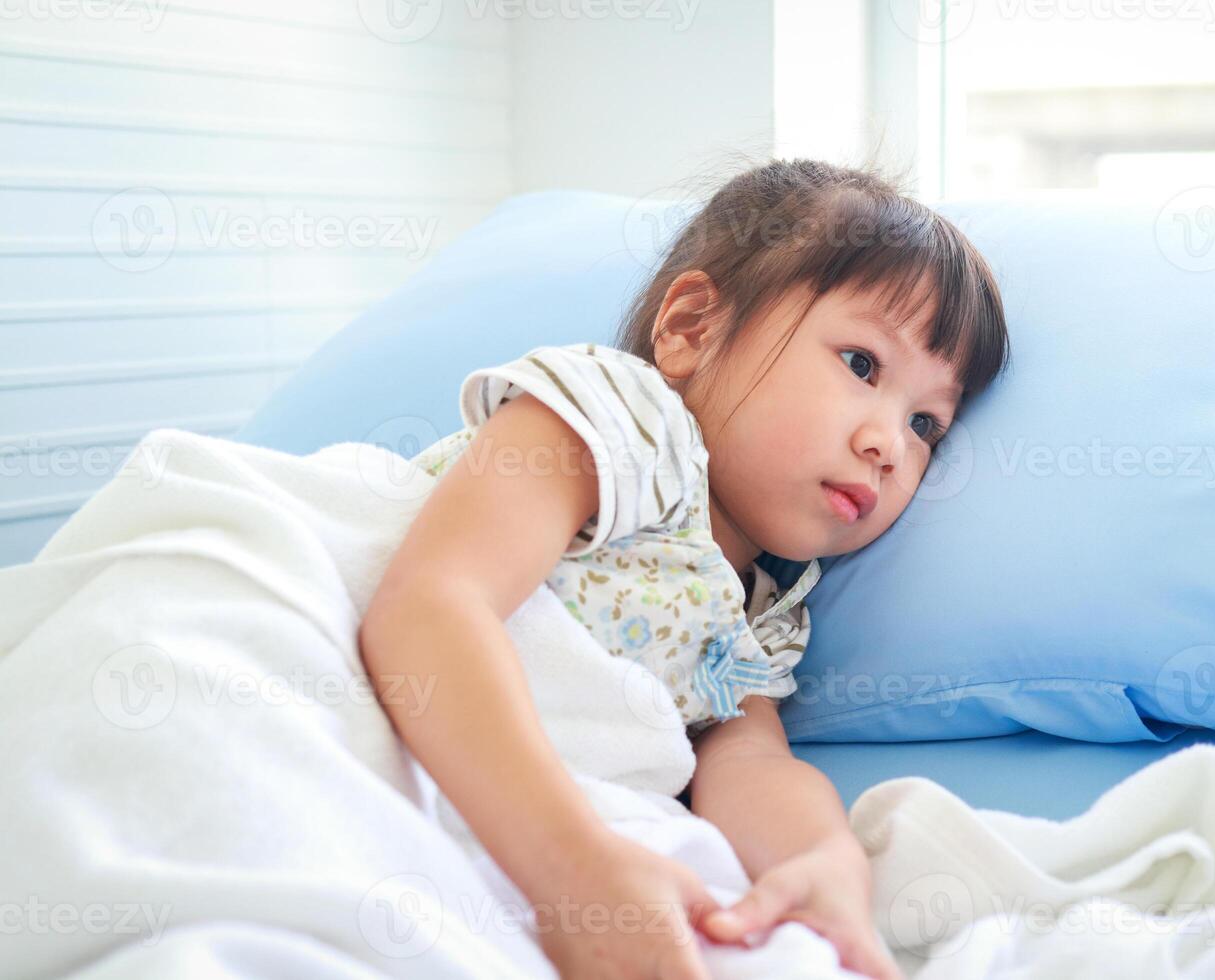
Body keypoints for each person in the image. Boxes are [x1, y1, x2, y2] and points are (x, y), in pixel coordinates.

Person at [358, 156, 1010, 979]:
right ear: (692, 329)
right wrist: (572, 870)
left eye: (927, 423)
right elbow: (433, 604)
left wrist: (821, 860)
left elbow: (749, 764)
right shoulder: (613, 422)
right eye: (860, 366)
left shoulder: (756, 618)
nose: (888, 443)